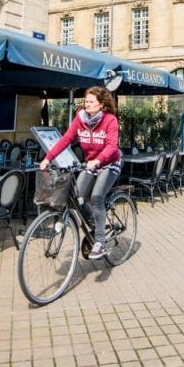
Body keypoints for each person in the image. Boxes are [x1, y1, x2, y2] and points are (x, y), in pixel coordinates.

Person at [40, 86, 121, 260]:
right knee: (79, 197)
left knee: (96, 197)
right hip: (90, 164)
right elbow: (65, 140)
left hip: (109, 163)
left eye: (91, 101)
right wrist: (48, 158)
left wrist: (98, 161)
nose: (87, 104)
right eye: (86, 101)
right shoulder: (80, 120)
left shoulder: (110, 120)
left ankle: (100, 242)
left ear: (101, 105)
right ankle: (97, 225)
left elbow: (112, 146)